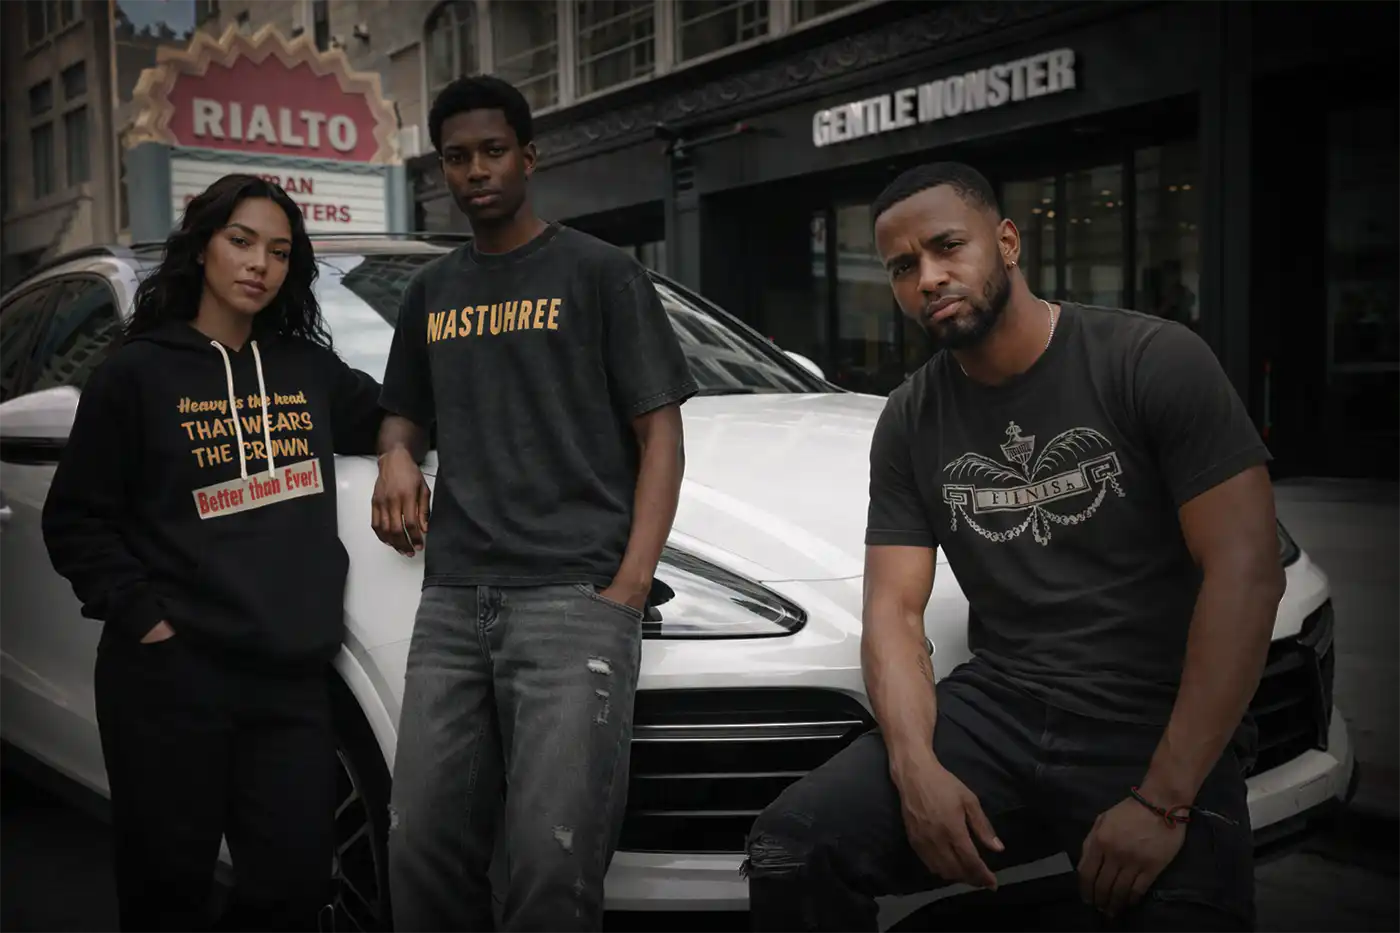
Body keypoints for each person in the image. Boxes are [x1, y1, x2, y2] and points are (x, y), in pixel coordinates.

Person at [742, 162, 1284, 932]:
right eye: (903, 266)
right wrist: (916, 767)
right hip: (1000, 706)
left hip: (1155, 716)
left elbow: (1246, 572)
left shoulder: (1151, 360)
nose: (928, 278)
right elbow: (893, 614)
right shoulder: (910, 418)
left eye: (946, 247)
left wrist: (1164, 798)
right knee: (792, 845)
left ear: (1005, 241)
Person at [371, 75, 697, 931]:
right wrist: (395, 455)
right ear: (440, 168)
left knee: (553, 867)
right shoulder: (429, 292)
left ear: (528, 155)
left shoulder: (600, 273)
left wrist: (628, 588)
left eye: (492, 150)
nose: (475, 170)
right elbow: (403, 411)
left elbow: (660, 435)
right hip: (451, 601)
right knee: (420, 847)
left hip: (572, 599)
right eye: (456, 157)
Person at [42, 174, 386, 932]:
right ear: (202, 247)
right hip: (169, 678)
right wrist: (149, 622)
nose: (259, 263)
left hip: (290, 682)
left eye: (278, 250)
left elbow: (396, 417)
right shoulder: (135, 373)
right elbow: (76, 519)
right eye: (241, 241)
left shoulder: (306, 370)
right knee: (167, 894)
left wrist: (395, 457)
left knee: (295, 886)